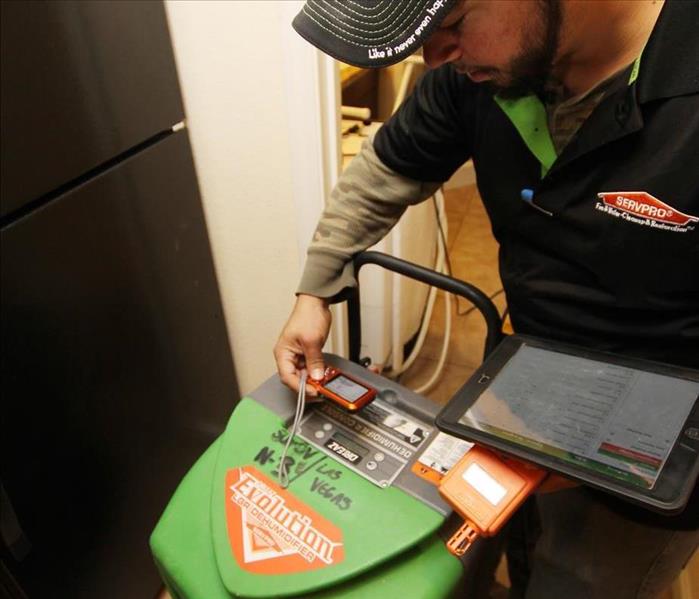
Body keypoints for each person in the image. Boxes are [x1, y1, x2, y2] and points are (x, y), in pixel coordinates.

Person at [274, 1, 699, 597]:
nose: (436, 57)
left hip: (656, 448)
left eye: (450, 26)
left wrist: (601, 455)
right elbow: (384, 172)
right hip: (523, 383)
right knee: (512, 544)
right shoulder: (487, 68)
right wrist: (314, 289)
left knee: (582, 580)